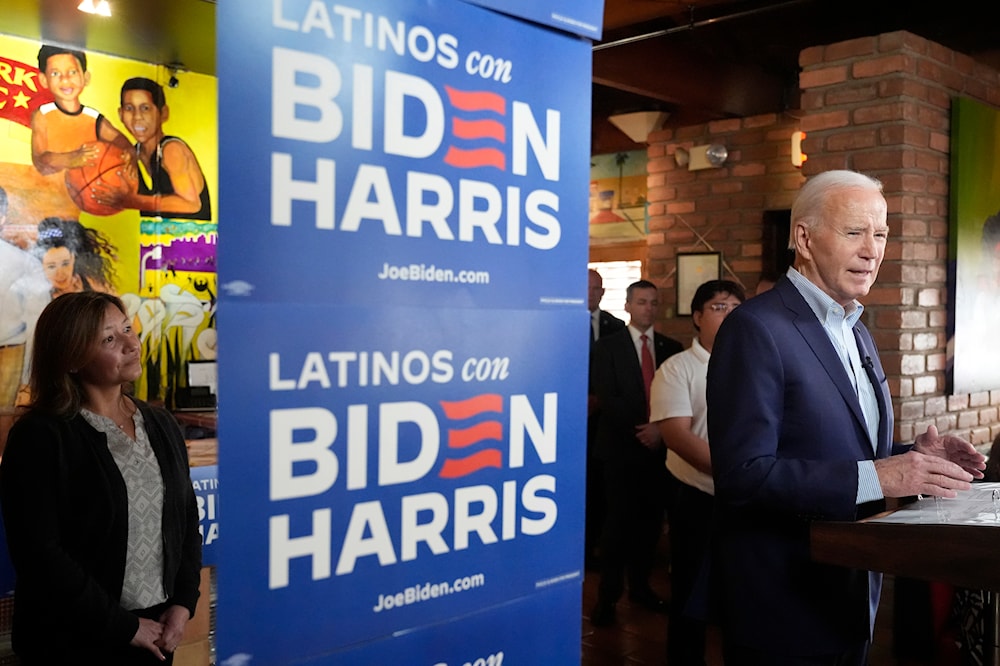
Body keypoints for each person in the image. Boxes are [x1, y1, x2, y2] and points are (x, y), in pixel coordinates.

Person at [706, 169, 986, 665]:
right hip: (783, 604)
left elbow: (845, 453)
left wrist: (912, 458)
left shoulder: (855, 327)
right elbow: (742, 477)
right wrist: (881, 473)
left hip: (851, 591)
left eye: (880, 234)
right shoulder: (755, 328)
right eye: (855, 231)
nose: (872, 250)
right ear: (804, 239)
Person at [0, 291, 202, 663]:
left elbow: (186, 520)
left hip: (156, 632)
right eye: (109, 339)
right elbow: (39, 554)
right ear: (72, 357)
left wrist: (184, 603)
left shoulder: (160, 423)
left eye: (127, 328)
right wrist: (125, 626)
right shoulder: (41, 436)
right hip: (71, 640)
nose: (131, 343)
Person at [650, 278, 745, 665]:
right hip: (697, 495)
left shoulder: (752, 362)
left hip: (747, 496)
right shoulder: (677, 369)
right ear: (697, 316)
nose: (729, 315)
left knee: (742, 592)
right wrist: (739, 472)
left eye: (736, 308)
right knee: (690, 592)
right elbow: (676, 435)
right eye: (720, 308)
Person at [589, 279, 682, 626]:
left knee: (648, 527)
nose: (649, 308)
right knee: (616, 529)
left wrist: (661, 430)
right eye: (642, 302)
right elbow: (607, 396)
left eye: (654, 302)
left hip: (660, 453)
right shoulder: (608, 346)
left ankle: (641, 588)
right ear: (628, 306)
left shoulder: (671, 348)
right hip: (619, 451)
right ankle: (608, 599)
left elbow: (677, 395)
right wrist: (644, 430)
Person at [97, 77, 211, 220]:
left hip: (190, 240)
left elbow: (191, 204)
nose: (137, 117)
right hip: (155, 240)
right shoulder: (132, 155)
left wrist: (129, 200)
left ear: (163, 113)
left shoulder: (171, 149)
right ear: (120, 114)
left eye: (145, 108)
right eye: (129, 108)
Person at [31, 45, 133, 177]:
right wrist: (71, 158)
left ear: (86, 77)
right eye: (55, 73)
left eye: (72, 72)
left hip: (84, 191)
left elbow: (120, 139)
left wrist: (131, 153)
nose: (65, 79)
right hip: (49, 191)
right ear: (44, 80)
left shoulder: (93, 118)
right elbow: (39, 158)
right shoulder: (43, 114)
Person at [585, 268, 625, 568]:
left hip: (607, 422)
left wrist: (600, 399)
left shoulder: (616, 327)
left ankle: (599, 544)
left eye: (596, 288)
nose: (591, 293)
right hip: (569, 420)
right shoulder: (560, 322)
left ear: (603, 293)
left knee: (602, 487)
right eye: (585, 288)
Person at [0, 187, 50, 407]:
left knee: (3, 419)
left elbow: (36, 321)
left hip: (9, 354)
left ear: (2, 218)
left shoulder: (23, 263)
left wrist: (29, 376)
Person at [34, 217, 117, 297]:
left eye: (65, 263)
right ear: (41, 267)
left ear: (73, 258)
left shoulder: (92, 283)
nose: (60, 273)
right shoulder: (40, 297)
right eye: (51, 267)